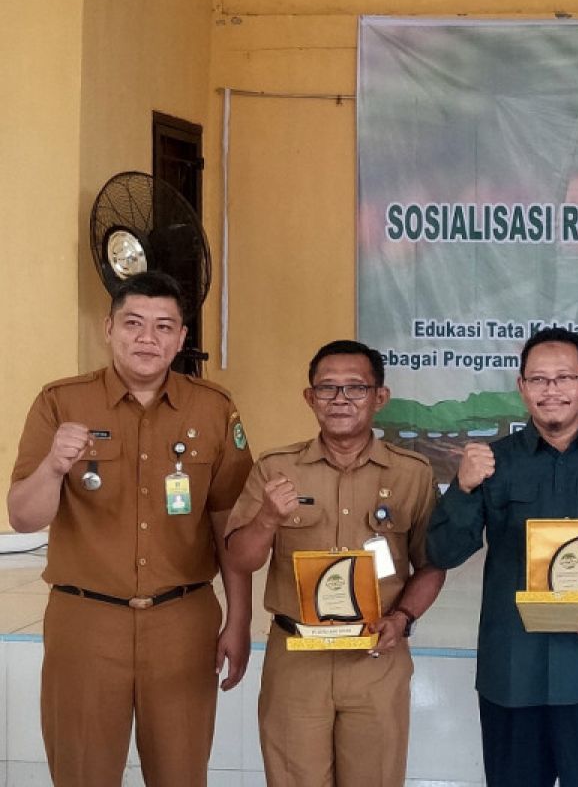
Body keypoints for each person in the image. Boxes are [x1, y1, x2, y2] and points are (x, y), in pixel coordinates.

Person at [7, 271, 253, 786]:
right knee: (82, 775)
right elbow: (23, 517)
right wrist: (53, 464)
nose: (148, 338)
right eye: (134, 323)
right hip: (87, 620)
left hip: (182, 622)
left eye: (164, 326)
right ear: (109, 328)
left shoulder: (214, 408)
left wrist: (238, 620)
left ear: (182, 338)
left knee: (182, 775)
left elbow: (227, 523)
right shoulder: (61, 402)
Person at [427, 327, 578, 787]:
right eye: (538, 380)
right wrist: (462, 488)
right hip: (513, 675)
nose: (552, 391)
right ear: (521, 387)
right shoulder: (492, 461)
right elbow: (442, 552)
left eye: (564, 377)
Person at [224, 340, 444, 785]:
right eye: (327, 388)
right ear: (310, 398)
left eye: (355, 388)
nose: (340, 400)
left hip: (376, 658)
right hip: (296, 662)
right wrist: (268, 517)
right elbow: (241, 559)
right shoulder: (276, 468)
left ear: (380, 397)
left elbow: (431, 565)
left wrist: (402, 619)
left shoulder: (413, 473)